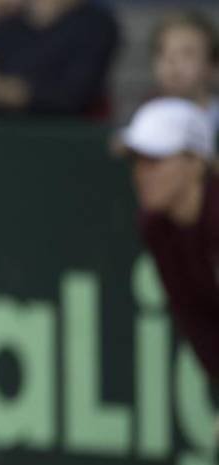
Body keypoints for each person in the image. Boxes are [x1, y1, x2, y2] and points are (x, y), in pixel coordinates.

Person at [120, 97, 218, 435]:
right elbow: (193, 314)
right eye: (138, 161)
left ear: (196, 163)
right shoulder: (154, 226)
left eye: (156, 160)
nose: (142, 173)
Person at [0, 0, 119, 119]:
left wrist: (0, 91)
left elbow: (71, 97)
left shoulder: (96, 24)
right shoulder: (9, 21)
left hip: (63, 144)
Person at [150, 10, 219, 129]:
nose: (172, 62)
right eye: (164, 52)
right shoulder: (146, 121)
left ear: (212, 65)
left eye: (187, 54)